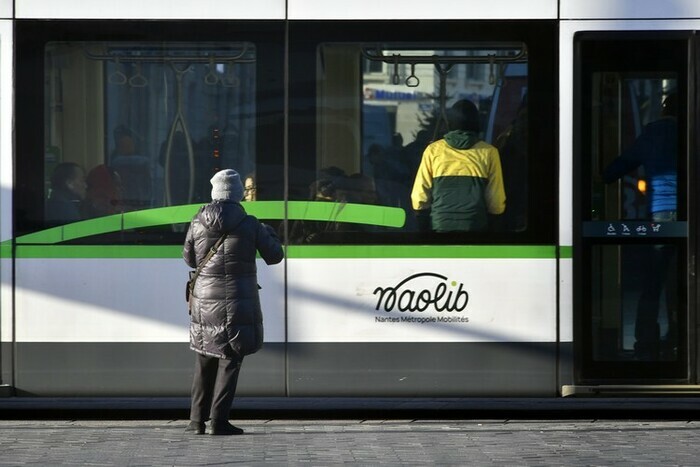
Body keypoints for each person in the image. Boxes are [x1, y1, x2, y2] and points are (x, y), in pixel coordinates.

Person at [183, 168, 284, 435]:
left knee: (205, 357)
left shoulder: (197, 221)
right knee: (230, 359)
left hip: (205, 300)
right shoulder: (250, 224)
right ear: (238, 194)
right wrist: (270, 233)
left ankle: (196, 422)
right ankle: (219, 421)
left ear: (214, 193)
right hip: (238, 299)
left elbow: (190, 259)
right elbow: (275, 256)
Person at [602, 92, 678, 360]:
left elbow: (621, 166)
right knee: (684, 278)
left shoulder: (653, 133)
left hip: (660, 214)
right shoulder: (691, 131)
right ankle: (682, 335)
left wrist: (603, 174)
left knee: (654, 280)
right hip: (691, 213)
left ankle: (646, 340)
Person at [410, 99, 506, 232]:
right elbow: (496, 201)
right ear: (476, 123)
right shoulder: (490, 153)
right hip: (475, 227)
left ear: (450, 122)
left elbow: (419, 196)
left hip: (440, 227)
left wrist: (423, 223)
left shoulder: (433, 150)